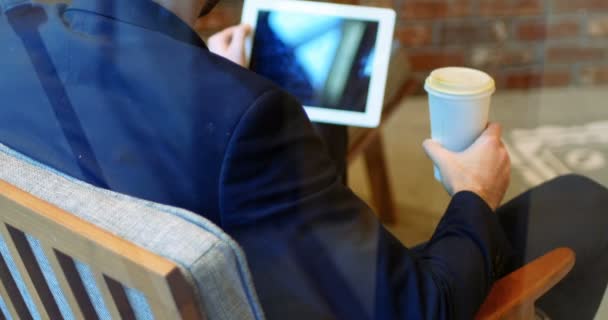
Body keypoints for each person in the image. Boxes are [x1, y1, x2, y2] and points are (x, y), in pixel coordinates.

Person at [0, 0, 606, 319]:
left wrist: (208, 80)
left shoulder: (12, 32)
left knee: (325, 147)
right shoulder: (250, 113)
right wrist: (474, 194)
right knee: (583, 204)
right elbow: (425, 307)